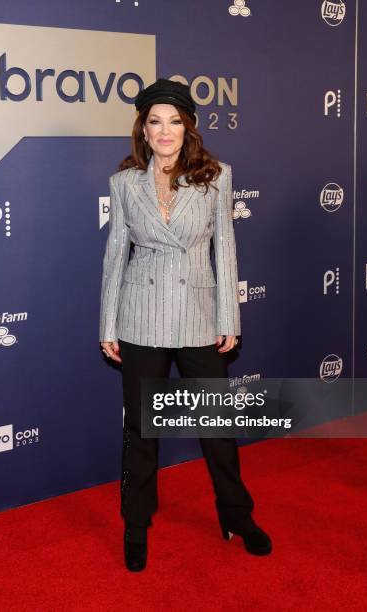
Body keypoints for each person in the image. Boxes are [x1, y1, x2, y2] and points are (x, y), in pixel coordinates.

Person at [99, 78, 272, 572]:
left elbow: (227, 251)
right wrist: (107, 324)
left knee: (217, 428)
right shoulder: (125, 183)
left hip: (198, 315)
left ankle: (237, 516)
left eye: (174, 120)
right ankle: (136, 521)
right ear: (144, 129)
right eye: (155, 121)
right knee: (142, 432)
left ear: (189, 126)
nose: (165, 130)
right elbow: (115, 256)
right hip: (141, 315)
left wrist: (229, 318)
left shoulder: (217, 177)